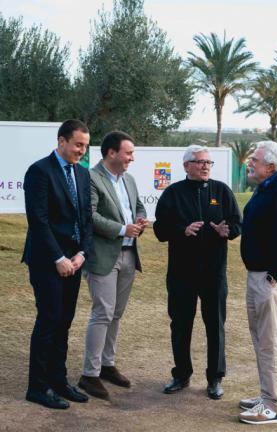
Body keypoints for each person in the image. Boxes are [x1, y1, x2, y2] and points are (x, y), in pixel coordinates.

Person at [153, 144, 241, 400]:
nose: (205, 166)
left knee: (215, 324)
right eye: (199, 162)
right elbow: (160, 230)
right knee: (180, 324)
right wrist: (182, 230)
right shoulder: (172, 193)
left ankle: (215, 378)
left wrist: (229, 231)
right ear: (186, 165)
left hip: (213, 272)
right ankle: (181, 374)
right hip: (182, 273)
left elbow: (236, 223)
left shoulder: (221, 191)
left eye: (208, 163)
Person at [22, 119, 92, 409]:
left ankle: (58, 380)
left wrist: (82, 254)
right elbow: (38, 220)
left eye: (85, 146)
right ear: (61, 141)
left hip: (74, 261)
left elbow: (86, 218)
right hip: (46, 260)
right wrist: (58, 258)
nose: (82, 151)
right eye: (78, 144)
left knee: (64, 321)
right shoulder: (39, 171)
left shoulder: (83, 174)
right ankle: (37, 387)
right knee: (49, 319)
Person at [78, 131, 147, 400]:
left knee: (116, 313)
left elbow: (139, 206)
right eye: (128, 153)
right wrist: (121, 229)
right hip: (102, 256)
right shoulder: (91, 178)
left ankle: (107, 365)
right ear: (112, 153)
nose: (132, 158)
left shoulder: (128, 179)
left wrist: (139, 221)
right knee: (103, 313)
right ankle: (89, 374)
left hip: (129, 255)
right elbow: (89, 216)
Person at [238, 141, 277, 425]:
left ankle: (274, 407)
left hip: (269, 277)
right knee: (261, 338)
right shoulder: (267, 188)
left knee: (268, 340)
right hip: (259, 274)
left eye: (256, 159)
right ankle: (267, 395)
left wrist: (272, 275)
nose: (251, 162)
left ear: (271, 166)